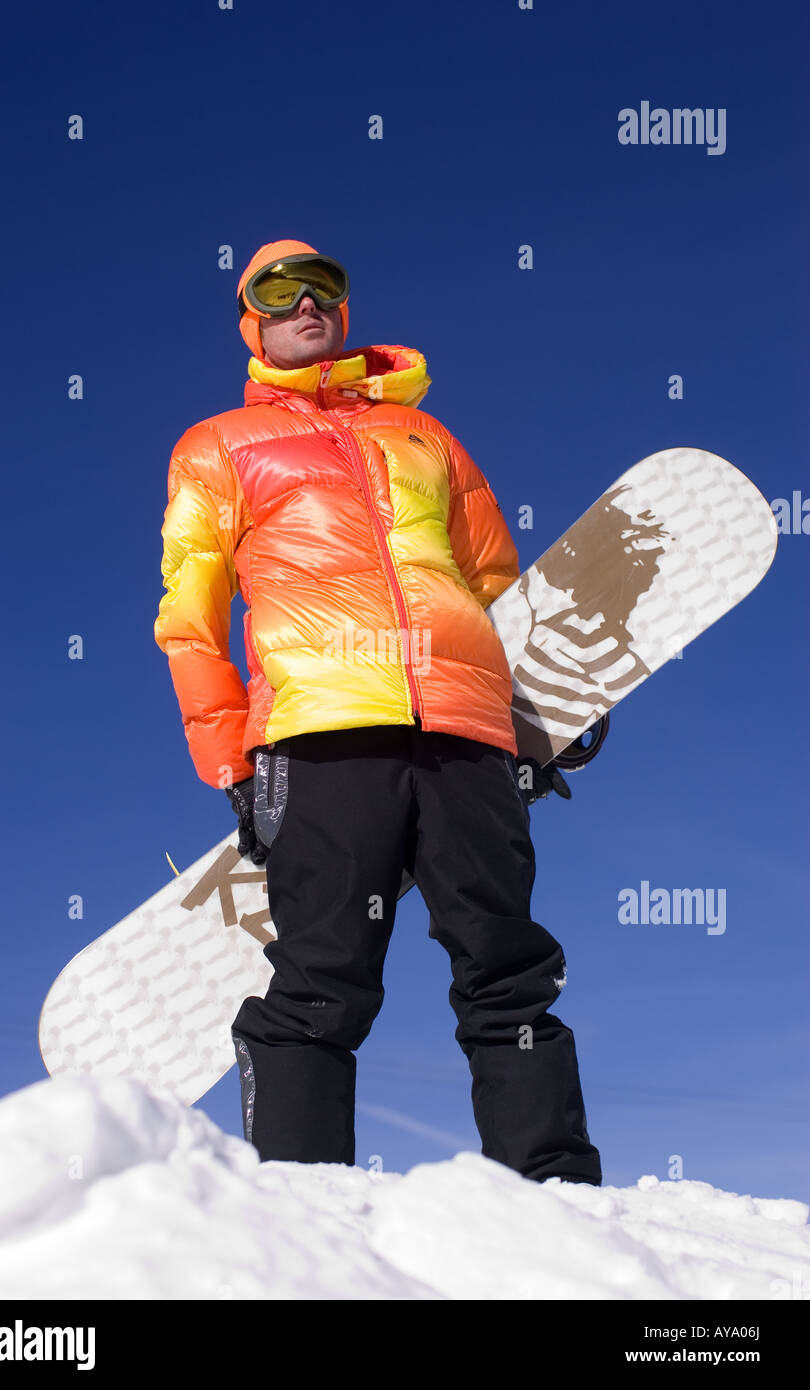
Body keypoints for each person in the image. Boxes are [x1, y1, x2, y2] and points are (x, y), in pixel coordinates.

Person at [154, 238, 602, 1185]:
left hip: (467, 732)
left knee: (508, 963)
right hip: (320, 733)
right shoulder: (215, 447)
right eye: (280, 292)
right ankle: (306, 1208)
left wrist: (540, 711)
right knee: (323, 974)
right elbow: (189, 620)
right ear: (254, 321)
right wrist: (230, 760)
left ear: (344, 312)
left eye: (325, 288)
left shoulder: (426, 438)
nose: (306, 303)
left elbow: (493, 583)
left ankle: (558, 1198)